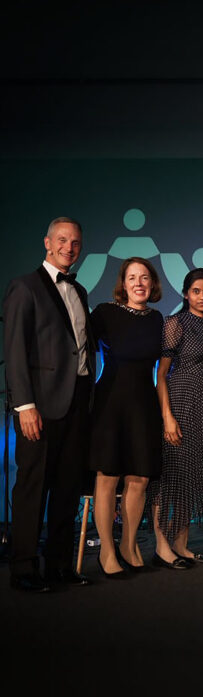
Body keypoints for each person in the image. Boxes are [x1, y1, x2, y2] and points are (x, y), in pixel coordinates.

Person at [3, 217, 95, 591]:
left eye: (75, 242)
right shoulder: (24, 287)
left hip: (77, 402)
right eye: (62, 240)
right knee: (32, 486)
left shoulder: (80, 290)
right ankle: (24, 568)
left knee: (68, 488)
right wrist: (24, 405)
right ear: (47, 242)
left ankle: (59, 565)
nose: (68, 248)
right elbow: (15, 350)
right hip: (39, 405)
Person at [89, 257, 164, 577]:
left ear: (153, 284)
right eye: (132, 277)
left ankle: (129, 546)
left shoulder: (157, 319)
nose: (138, 283)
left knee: (140, 478)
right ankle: (106, 550)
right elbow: (77, 347)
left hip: (144, 404)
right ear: (123, 283)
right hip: (110, 403)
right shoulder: (105, 313)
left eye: (144, 277)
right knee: (108, 476)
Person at [150, 269, 203, 569]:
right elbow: (161, 375)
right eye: (196, 291)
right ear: (185, 294)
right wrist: (167, 417)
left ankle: (181, 545)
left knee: (191, 477)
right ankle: (161, 548)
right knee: (170, 477)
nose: (202, 297)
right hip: (179, 400)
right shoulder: (175, 323)